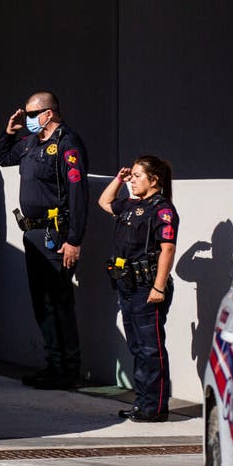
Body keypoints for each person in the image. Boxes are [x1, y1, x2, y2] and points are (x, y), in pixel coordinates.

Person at [0, 91, 89, 389]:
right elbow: (2, 157)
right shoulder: (31, 142)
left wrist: (74, 239)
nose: (29, 120)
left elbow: (78, 195)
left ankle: (68, 371)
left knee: (58, 303)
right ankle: (53, 364)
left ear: (48, 114)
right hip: (33, 233)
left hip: (56, 234)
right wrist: (9, 132)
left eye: (32, 115)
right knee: (42, 304)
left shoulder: (67, 144)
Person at [98, 155, 178, 422]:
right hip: (128, 284)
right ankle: (143, 403)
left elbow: (167, 249)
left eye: (137, 176)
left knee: (150, 348)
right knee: (137, 347)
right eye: (131, 176)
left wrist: (158, 287)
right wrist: (119, 180)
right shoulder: (132, 205)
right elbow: (104, 202)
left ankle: (155, 408)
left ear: (154, 180)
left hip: (147, 287)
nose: (132, 180)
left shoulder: (162, 209)